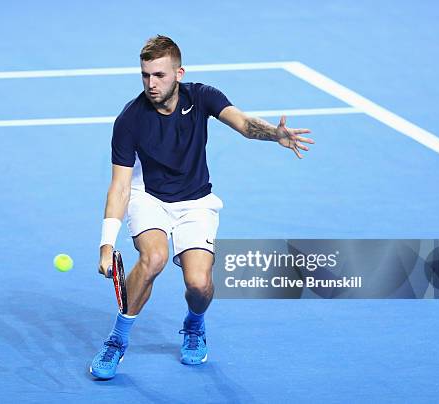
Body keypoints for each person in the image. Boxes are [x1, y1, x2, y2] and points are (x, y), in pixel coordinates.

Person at [89, 35, 314, 379]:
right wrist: (107, 244)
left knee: (198, 285)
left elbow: (243, 124)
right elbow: (120, 185)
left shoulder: (203, 96)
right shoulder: (130, 120)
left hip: (196, 202)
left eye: (159, 75)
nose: (151, 83)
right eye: (145, 75)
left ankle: (194, 325)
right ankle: (117, 341)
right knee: (154, 259)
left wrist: (274, 134)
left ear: (179, 73)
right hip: (149, 197)